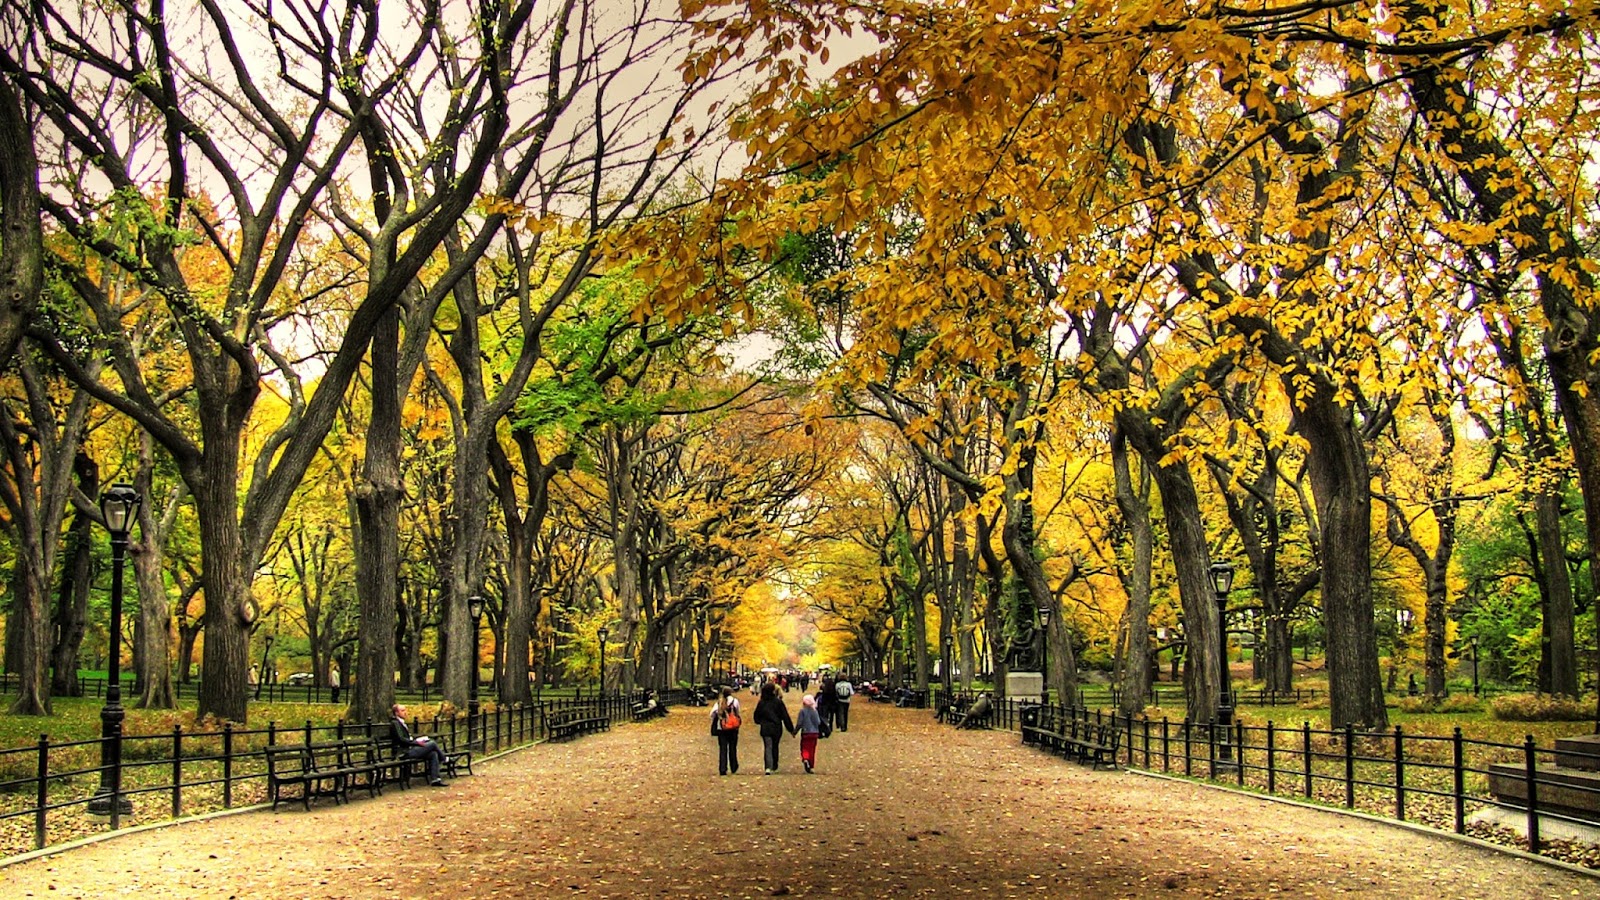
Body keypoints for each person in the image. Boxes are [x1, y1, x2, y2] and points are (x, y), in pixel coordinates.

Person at [389, 703, 449, 787]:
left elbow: (407, 738)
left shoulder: (401, 723)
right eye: (402, 711)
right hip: (403, 752)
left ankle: (435, 779)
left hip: (410, 748)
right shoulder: (395, 723)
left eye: (405, 710)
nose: (405, 712)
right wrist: (416, 743)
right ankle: (445, 759)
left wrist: (417, 740)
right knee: (432, 743)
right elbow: (401, 739)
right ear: (396, 713)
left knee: (433, 754)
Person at [753, 681, 795, 774]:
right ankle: (774, 765)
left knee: (768, 746)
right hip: (776, 727)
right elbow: (785, 716)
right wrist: (791, 729)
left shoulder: (762, 702)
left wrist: (760, 722)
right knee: (775, 746)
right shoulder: (778, 702)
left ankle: (768, 766)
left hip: (765, 727)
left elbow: (756, 716)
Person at [711, 687, 742, 776]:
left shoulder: (719, 702)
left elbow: (712, 714)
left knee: (723, 748)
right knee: (733, 747)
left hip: (722, 727)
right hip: (733, 727)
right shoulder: (735, 701)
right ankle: (733, 766)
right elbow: (737, 712)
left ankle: (722, 768)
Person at [795, 693, 822, 773]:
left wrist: (795, 731)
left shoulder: (802, 711)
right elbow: (818, 722)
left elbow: (799, 723)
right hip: (814, 733)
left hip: (805, 732)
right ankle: (811, 765)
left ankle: (805, 758)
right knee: (812, 749)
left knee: (804, 747)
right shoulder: (815, 711)